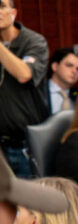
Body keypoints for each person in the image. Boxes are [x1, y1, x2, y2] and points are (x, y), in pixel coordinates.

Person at [0, 0, 48, 177]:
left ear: (13, 12)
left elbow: (24, 74)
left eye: (1, 5)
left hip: (24, 144)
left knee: (29, 202)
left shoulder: (34, 41)